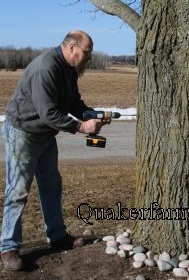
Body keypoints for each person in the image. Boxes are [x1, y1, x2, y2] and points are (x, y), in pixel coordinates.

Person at [0, 30, 105, 271]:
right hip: (24, 133)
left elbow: (72, 102)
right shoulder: (45, 68)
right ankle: (8, 248)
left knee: (51, 184)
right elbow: (48, 113)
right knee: (17, 190)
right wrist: (81, 127)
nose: (89, 57)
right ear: (71, 48)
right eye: (87, 52)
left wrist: (90, 115)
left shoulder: (69, 69)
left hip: (45, 134)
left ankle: (57, 236)